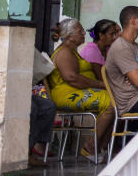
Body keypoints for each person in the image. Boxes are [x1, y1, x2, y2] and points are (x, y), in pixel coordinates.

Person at [46, 19, 114, 163]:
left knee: (118, 100)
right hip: (67, 94)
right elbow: (72, 78)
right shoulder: (64, 53)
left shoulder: (71, 51)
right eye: (80, 31)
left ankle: (99, 146)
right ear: (69, 36)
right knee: (112, 102)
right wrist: (101, 85)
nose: (84, 33)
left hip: (77, 91)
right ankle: (91, 146)